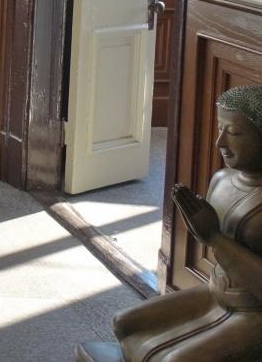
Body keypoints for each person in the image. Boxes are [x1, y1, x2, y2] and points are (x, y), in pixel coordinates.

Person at [77, 84, 262, 361]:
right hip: (216, 293)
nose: (220, 143)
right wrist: (204, 231)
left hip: (253, 313)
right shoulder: (221, 180)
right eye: (219, 129)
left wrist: (214, 237)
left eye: (234, 133)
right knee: (124, 325)